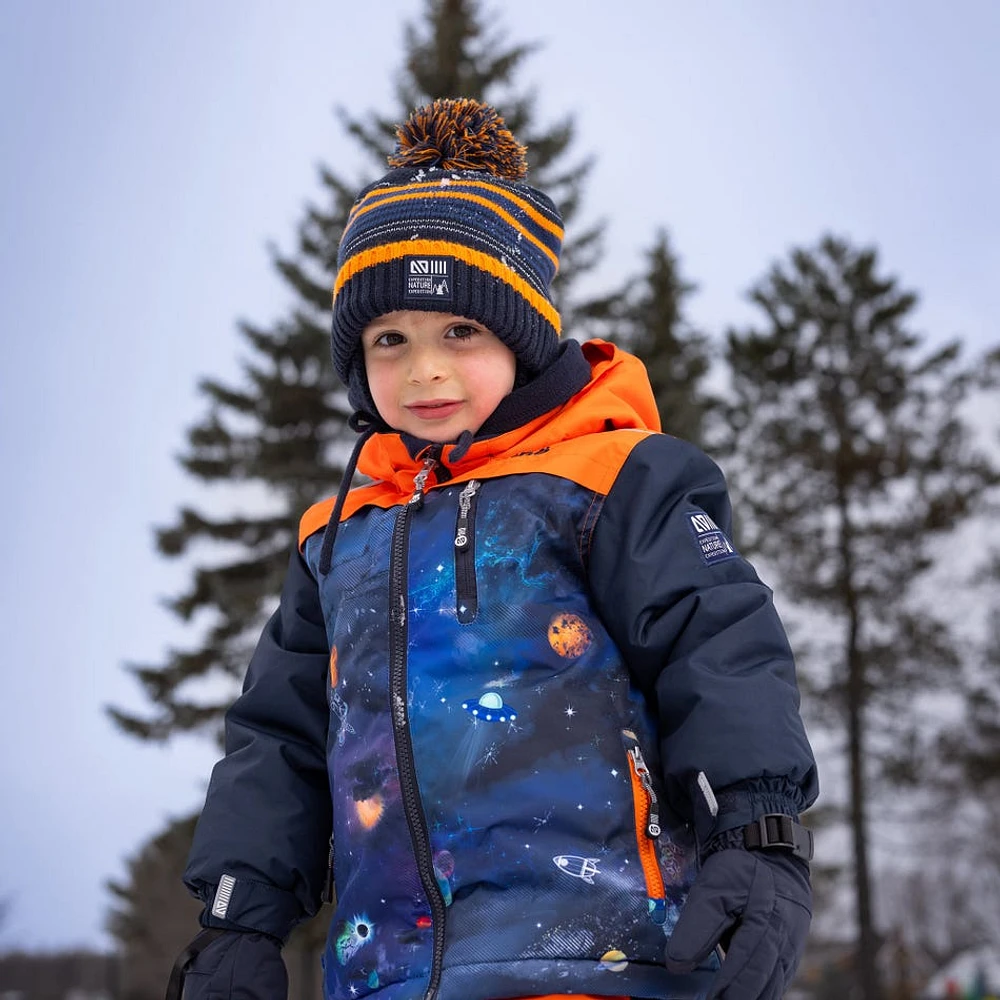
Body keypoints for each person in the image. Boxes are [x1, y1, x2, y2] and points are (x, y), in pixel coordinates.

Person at [170, 98, 818, 1000]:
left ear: (521, 334)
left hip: (604, 958)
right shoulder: (339, 534)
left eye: (459, 332)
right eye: (388, 340)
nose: (423, 369)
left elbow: (717, 644)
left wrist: (756, 834)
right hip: (387, 975)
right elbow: (277, 737)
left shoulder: (613, 479)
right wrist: (238, 920)